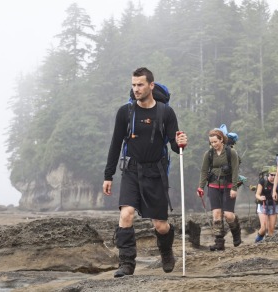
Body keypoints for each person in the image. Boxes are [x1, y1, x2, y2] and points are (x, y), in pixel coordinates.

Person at [103, 67, 188, 278]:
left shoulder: (165, 112)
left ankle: (166, 252)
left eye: (140, 85)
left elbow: (175, 147)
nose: (136, 89)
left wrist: (181, 143)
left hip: (155, 172)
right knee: (126, 214)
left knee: (160, 226)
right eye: (133, 85)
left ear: (151, 85)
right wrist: (108, 175)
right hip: (131, 170)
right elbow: (115, 144)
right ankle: (126, 264)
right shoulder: (126, 112)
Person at [197, 129, 241, 251]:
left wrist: (234, 187)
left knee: (228, 215)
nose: (214, 144)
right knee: (216, 215)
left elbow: (235, 171)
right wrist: (201, 186)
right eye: (211, 142)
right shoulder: (209, 154)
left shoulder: (231, 152)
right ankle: (219, 242)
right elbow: (204, 171)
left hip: (228, 186)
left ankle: (236, 233)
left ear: (221, 139)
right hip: (213, 186)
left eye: (215, 141)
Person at [254, 166, 278, 242]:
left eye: (275, 175)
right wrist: (260, 198)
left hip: (274, 205)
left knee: (271, 229)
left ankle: (269, 245)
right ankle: (257, 241)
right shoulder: (263, 181)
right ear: (268, 174)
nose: (273, 177)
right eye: (272, 175)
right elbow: (257, 194)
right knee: (264, 228)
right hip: (263, 205)